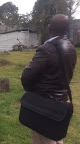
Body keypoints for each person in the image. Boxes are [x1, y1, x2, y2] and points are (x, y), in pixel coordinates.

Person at [21, 14, 77, 144]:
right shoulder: (71, 48)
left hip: (43, 105)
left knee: (43, 139)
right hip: (61, 103)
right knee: (57, 138)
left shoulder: (47, 49)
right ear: (67, 29)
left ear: (49, 28)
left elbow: (27, 76)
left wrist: (28, 87)